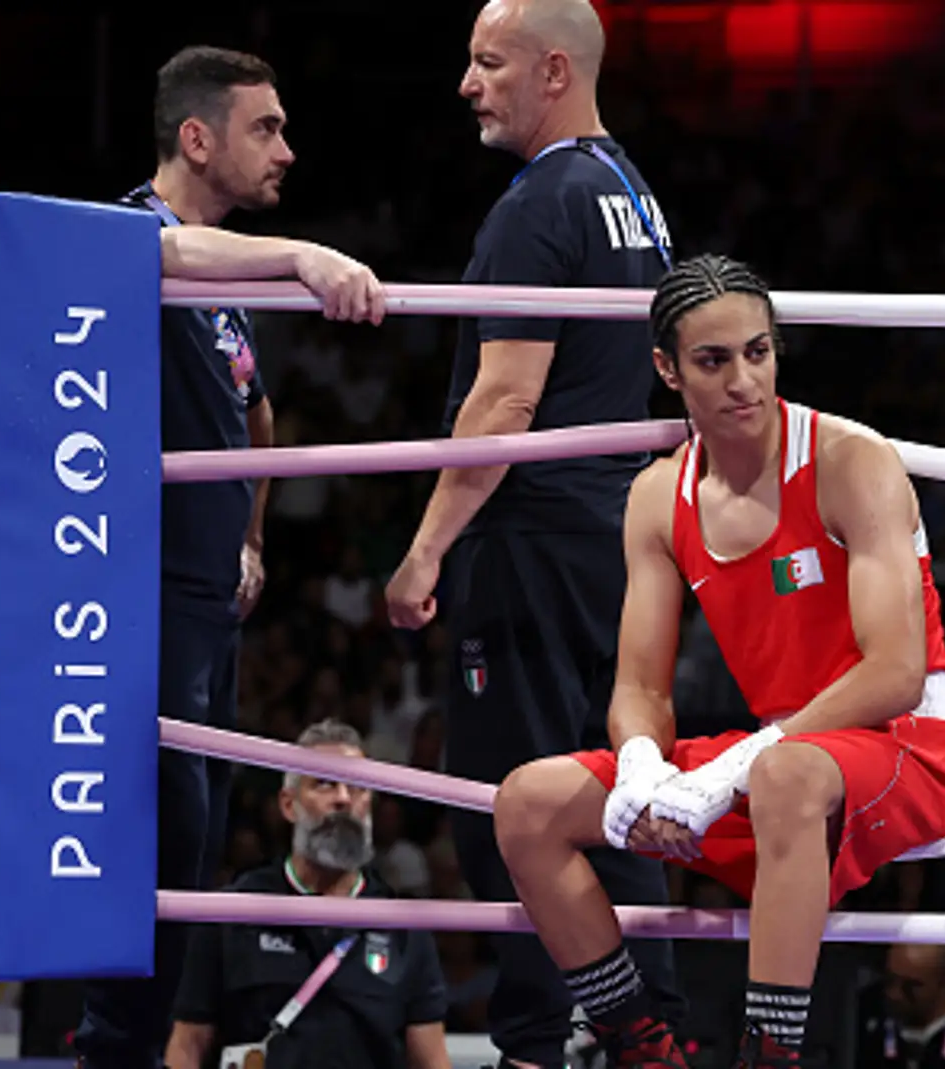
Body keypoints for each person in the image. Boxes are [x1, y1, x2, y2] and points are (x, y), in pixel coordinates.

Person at [491, 253, 945, 1069]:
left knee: (787, 773)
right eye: (714, 361)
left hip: (904, 745)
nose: (743, 380)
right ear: (668, 369)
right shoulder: (659, 495)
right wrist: (644, 764)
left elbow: (895, 669)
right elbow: (642, 684)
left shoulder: (848, 460)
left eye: (758, 352)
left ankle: (769, 1057)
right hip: (787, 764)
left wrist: (745, 764)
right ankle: (641, 1046)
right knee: (526, 804)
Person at [76, 45, 387, 1069]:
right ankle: (111, 1054)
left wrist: (253, 531)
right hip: (137, 591)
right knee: (151, 846)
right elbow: (143, 260)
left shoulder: (225, 278)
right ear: (196, 138)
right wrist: (302, 254)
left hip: (209, 600)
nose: (286, 150)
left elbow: (256, 406)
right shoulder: (131, 232)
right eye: (267, 128)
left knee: (192, 852)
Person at [382, 3, 681, 1065]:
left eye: (488, 61)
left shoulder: (540, 203)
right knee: (614, 782)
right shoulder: (633, 196)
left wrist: (424, 548)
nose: (468, 83)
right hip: (621, 539)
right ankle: (645, 1033)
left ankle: (541, 1044)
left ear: (554, 70)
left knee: (512, 803)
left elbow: (505, 403)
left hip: (540, 541)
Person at [164, 720, 451, 1069]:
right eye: (325, 784)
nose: (343, 799)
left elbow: (432, 1061)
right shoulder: (234, 911)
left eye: (358, 787)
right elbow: (187, 1046)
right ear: (288, 804)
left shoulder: (404, 927)